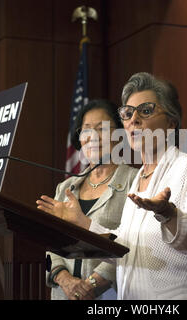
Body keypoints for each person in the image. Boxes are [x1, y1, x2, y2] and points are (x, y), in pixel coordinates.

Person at [37, 72, 187, 300]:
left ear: (171, 122)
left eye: (146, 111)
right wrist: (82, 223)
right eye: (128, 113)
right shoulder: (138, 180)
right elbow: (125, 251)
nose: (133, 120)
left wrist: (168, 214)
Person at [42, 99, 138, 300]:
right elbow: (49, 244)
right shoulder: (66, 187)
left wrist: (90, 285)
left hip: (109, 295)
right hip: (62, 294)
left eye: (101, 129)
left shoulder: (133, 182)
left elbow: (131, 245)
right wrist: (65, 280)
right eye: (86, 130)